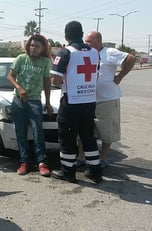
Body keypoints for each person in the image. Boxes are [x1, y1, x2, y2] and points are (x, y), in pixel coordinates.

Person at [50, 21, 102, 183]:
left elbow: (56, 81)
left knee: (67, 138)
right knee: (88, 137)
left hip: (71, 102)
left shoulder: (65, 52)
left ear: (66, 36)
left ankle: (68, 172)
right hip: (89, 102)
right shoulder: (95, 52)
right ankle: (95, 171)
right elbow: (95, 74)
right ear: (81, 34)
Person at [80, 31, 136, 168]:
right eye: (85, 41)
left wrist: (120, 76)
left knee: (107, 131)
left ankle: (103, 158)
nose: (86, 43)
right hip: (88, 99)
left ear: (98, 41)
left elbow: (131, 58)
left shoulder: (109, 52)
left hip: (107, 100)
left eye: (89, 41)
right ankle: (81, 157)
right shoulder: (86, 53)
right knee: (84, 130)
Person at [7, 34, 53, 177]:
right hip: (18, 101)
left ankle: (41, 162)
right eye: (31, 45)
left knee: (37, 131)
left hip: (35, 101)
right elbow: (10, 76)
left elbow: (47, 82)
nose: (33, 48)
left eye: (37, 46)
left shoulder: (45, 61)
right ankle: (24, 161)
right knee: (20, 132)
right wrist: (19, 88)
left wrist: (48, 102)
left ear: (43, 48)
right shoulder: (21, 58)